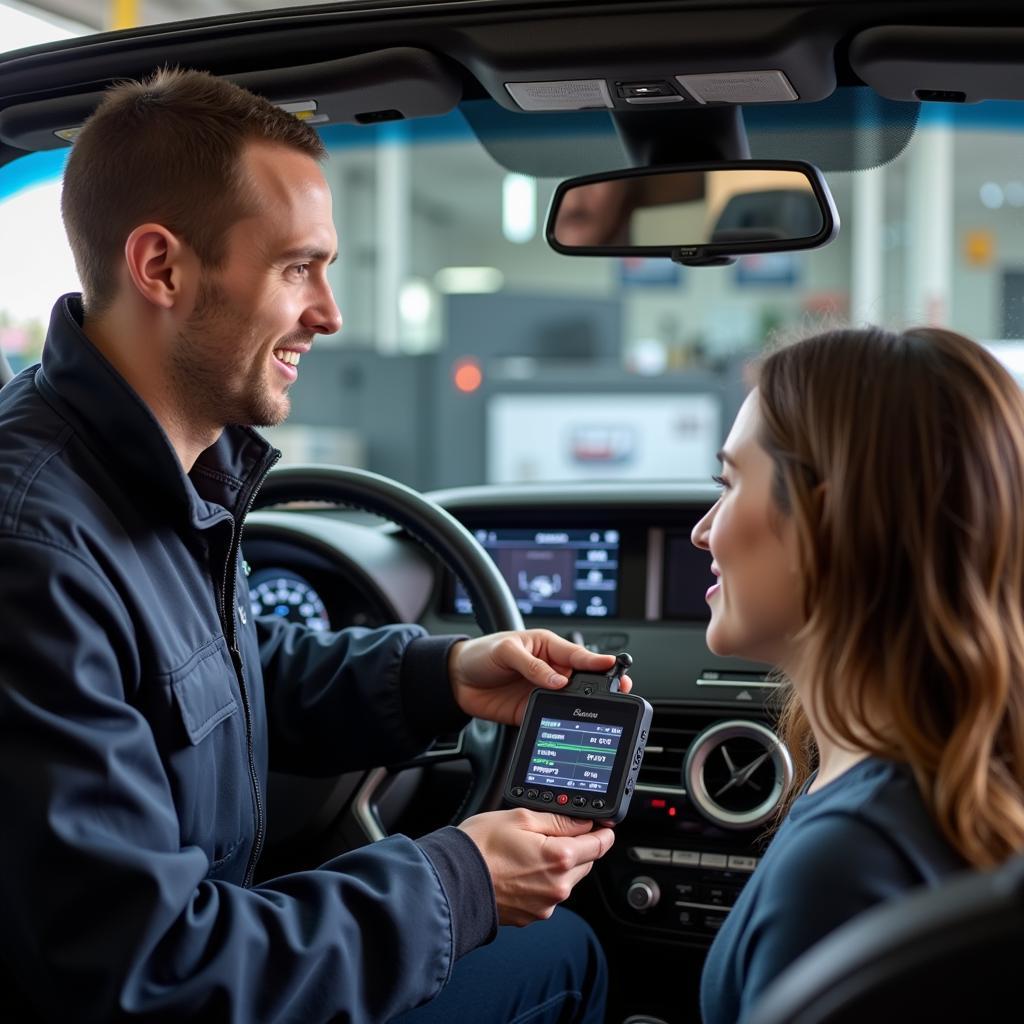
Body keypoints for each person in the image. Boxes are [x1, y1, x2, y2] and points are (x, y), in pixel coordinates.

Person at [0, 69, 628, 1023]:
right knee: (566, 955)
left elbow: (211, 680)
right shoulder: (36, 550)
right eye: (299, 267)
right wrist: (460, 879)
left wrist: (441, 676)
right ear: (161, 267)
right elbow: (145, 970)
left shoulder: (155, 474)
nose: (329, 313)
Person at [691, 325, 1024, 1023]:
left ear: (827, 521)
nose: (703, 530)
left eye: (729, 484)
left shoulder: (843, 870)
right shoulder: (929, 777)